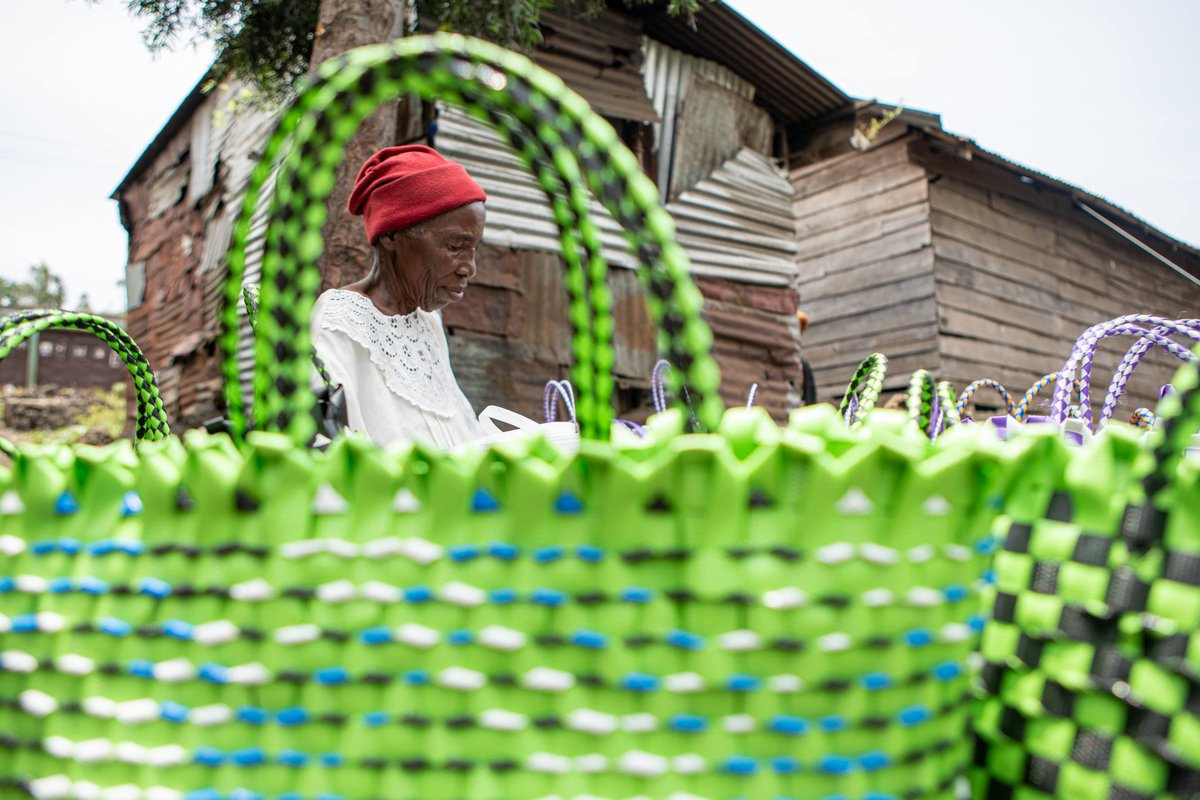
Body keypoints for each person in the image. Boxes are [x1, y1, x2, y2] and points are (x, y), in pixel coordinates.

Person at [310, 145, 487, 448]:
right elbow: (333, 448)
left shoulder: (428, 321)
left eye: (474, 249)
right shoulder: (338, 321)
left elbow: (456, 428)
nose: (469, 268)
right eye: (456, 247)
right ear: (393, 235)